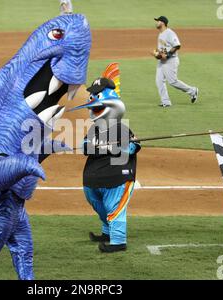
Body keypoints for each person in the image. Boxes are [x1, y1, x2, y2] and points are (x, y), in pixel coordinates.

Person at [69, 63, 141, 253]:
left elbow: (132, 148)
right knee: (98, 202)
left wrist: (117, 146)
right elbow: (85, 147)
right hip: (95, 177)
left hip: (117, 177)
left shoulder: (121, 128)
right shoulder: (95, 129)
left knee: (113, 206)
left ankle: (118, 241)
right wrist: (102, 147)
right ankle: (107, 231)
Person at [153, 16, 199, 108]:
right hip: (162, 62)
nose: (156, 23)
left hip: (171, 61)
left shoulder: (169, 33)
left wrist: (168, 55)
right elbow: (162, 50)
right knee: (159, 81)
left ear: (162, 22)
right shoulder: (161, 34)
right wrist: (157, 54)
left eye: (157, 21)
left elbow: (177, 45)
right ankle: (166, 102)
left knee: (172, 81)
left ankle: (192, 91)